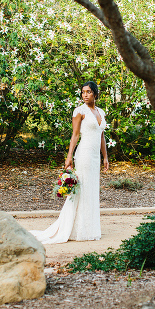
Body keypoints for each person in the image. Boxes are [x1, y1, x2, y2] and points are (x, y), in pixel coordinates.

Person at [31, 81, 109, 244]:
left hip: (95, 157)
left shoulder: (100, 112)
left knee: (92, 190)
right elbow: (75, 135)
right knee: (82, 189)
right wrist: (69, 157)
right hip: (84, 154)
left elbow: (101, 135)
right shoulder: (79, 111)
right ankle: (76, 229)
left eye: (88, 92)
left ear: (95, 93)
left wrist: (105, 157)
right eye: (83, 92)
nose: (85, 95)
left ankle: (90, 228)